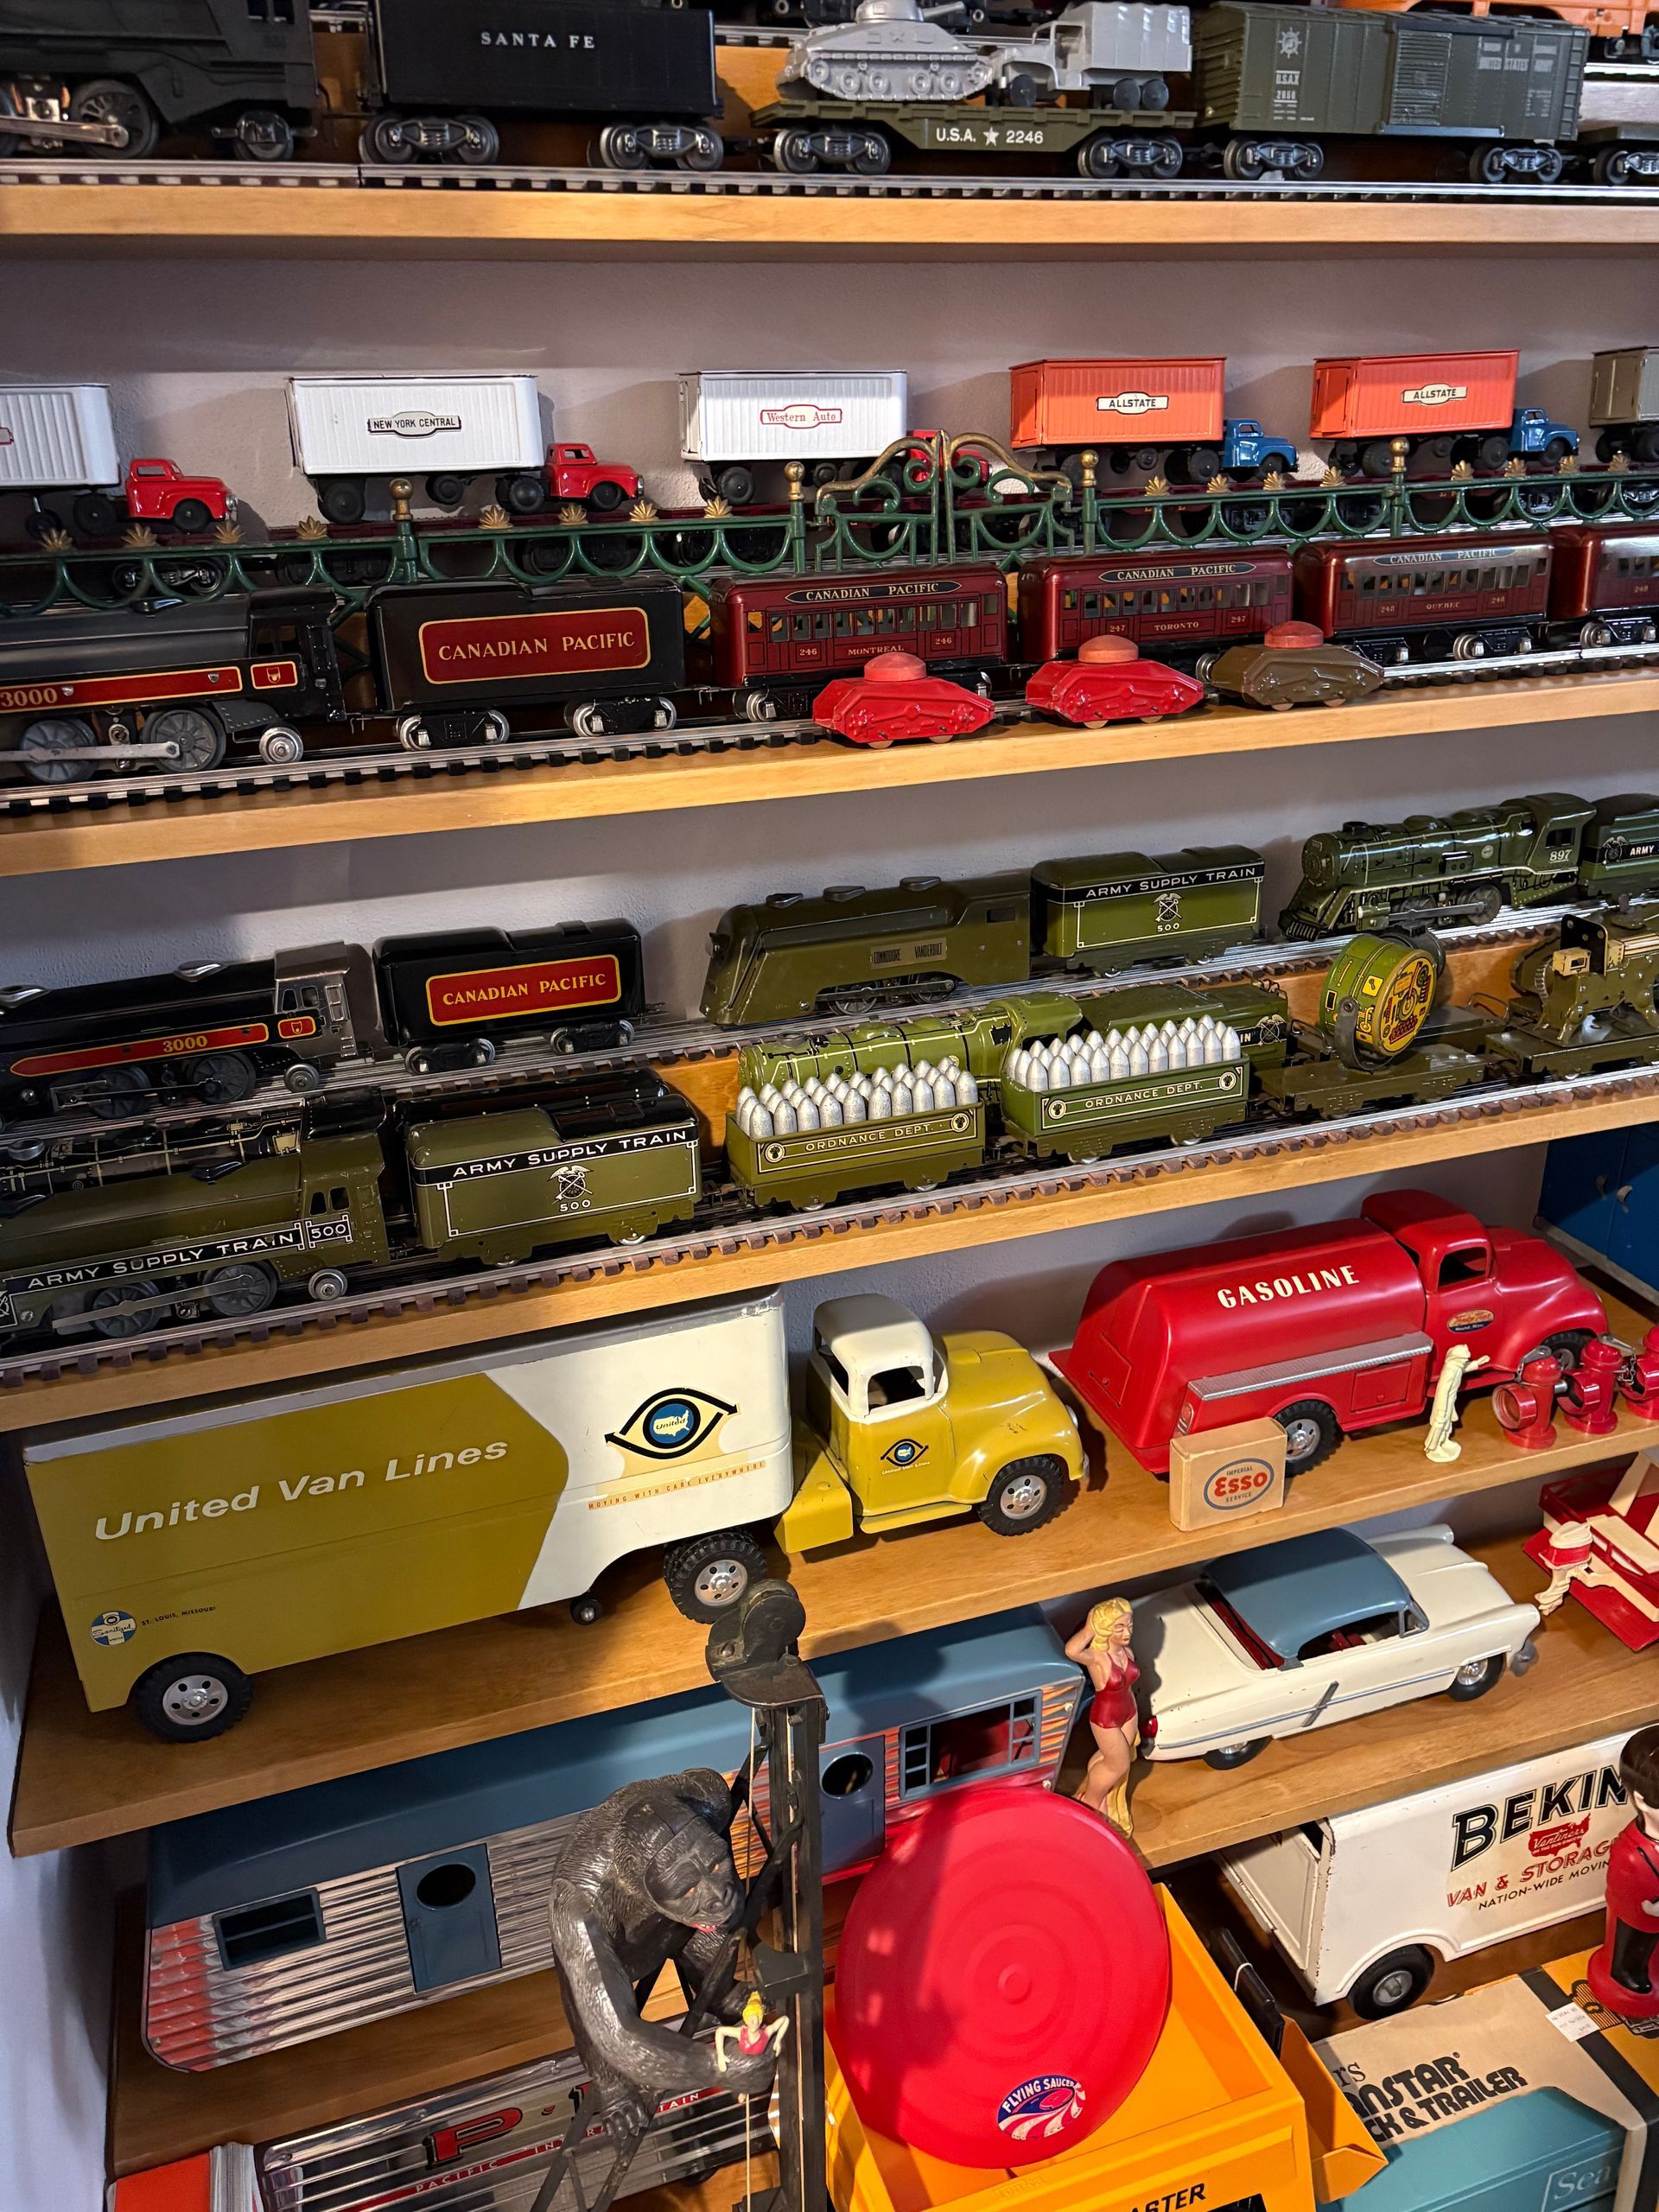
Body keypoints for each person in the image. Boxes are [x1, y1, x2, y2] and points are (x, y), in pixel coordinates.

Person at [1588, 1723, 1659, 2021]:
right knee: (1634, 1948)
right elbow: (1633, 1900)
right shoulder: (1631, 1853)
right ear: (1642, 1800)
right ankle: (1626, 1975)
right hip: (1639, 1917)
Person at [1065, 1596, 1140, 1838]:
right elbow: (1072, 1650)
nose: (1126, 1631)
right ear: (1106, 1629)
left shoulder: (1127, 1651)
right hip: (1106, 1717)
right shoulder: (1097, 1658)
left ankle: (1100, 1794)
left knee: (1111, 1760)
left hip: (1129, 1710)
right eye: (1119, 1627)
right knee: (1118, 1765)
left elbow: (1127, 1686)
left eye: (1129, 1625)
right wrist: (1089, 1628)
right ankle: (1091, 1802)